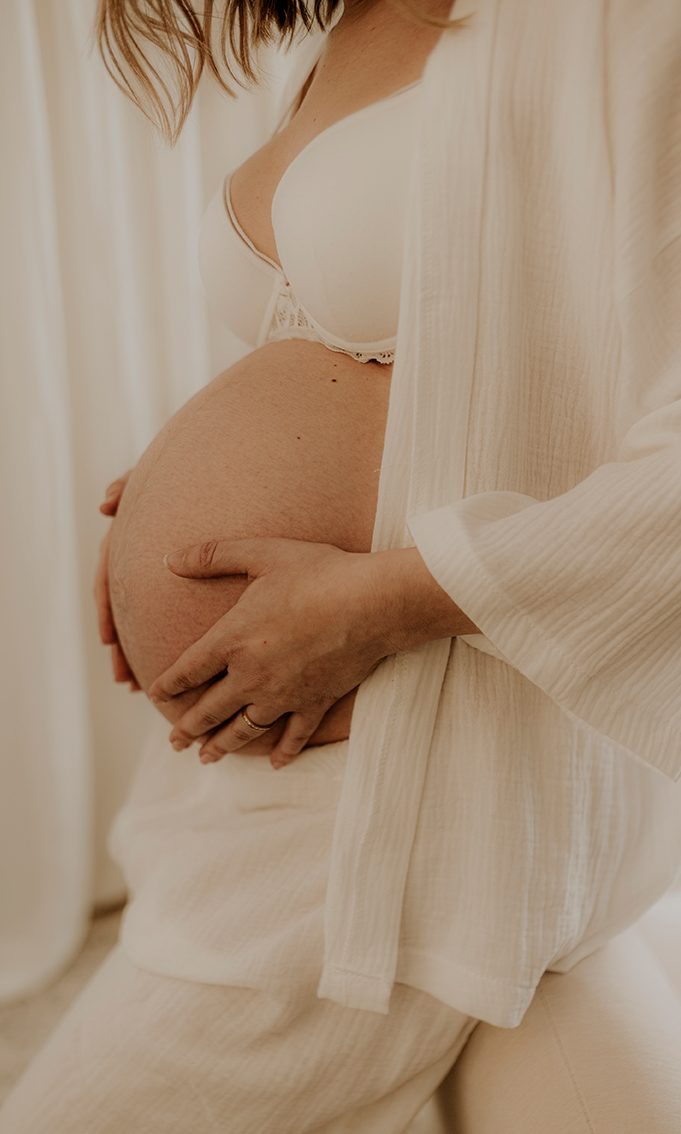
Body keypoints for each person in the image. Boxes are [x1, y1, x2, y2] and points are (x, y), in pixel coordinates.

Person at [3, 0, 681, 1129]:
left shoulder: (610, 21)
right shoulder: (337, 34)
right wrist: (169, 496)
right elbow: (395, 359)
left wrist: (382, 599)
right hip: (283, 767)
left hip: (406, 771)